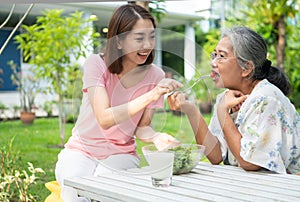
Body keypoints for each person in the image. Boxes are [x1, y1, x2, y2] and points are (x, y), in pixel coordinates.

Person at [55, 4, 182, 202]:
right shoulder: (96, 64)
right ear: (119, 41)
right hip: (81, 150)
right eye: (139, 38)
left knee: (107, 192)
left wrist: (156, 137)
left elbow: (143, 128)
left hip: (120, 154)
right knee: (75, 195)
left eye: (152, 36)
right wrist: (152, 94)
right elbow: (105, 118)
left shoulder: (155, 75)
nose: (147, 45)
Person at [167, 26, 300, 174]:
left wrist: (222, 112)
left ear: (246, 68)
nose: (213, 62)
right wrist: (190, 109)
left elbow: (250, 162)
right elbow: (215, 155)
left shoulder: (266, 99)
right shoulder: (226, 97)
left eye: (222, 56)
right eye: (214, 55)